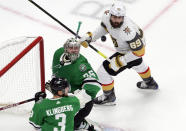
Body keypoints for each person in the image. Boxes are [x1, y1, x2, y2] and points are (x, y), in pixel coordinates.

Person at [79, 1, 158, 105]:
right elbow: (104, 27)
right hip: (129, 48)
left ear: (123, 17)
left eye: (119, 17)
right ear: (110, 14)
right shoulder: (106, 16)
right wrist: (92, 37)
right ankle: (150, 82)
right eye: (114, 17)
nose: (116, 20)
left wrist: (121, 60)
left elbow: (140, 52)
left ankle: (109, 97)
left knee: (103, 72)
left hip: (131, 51)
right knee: (138, 64)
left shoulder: (127, 31)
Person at [51, 37, 101, 130]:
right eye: (71, 48)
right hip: (64, 92)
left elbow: (95, 84)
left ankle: (78, 123)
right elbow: (55, 72)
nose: (74, 50)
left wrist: (80, 98)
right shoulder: (58, 53)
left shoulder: (82, 64)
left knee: (69, 126)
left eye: (76, 48)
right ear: (65, 48)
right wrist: (55, 85)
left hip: (78, 97)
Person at [29, 76, 95, 131]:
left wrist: (39, 101)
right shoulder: (73, 101)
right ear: (60, 92)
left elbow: (36, 126)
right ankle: (81, 125)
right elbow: (87, 99)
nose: (68, 90)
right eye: (66, 89)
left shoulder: (40, 105)